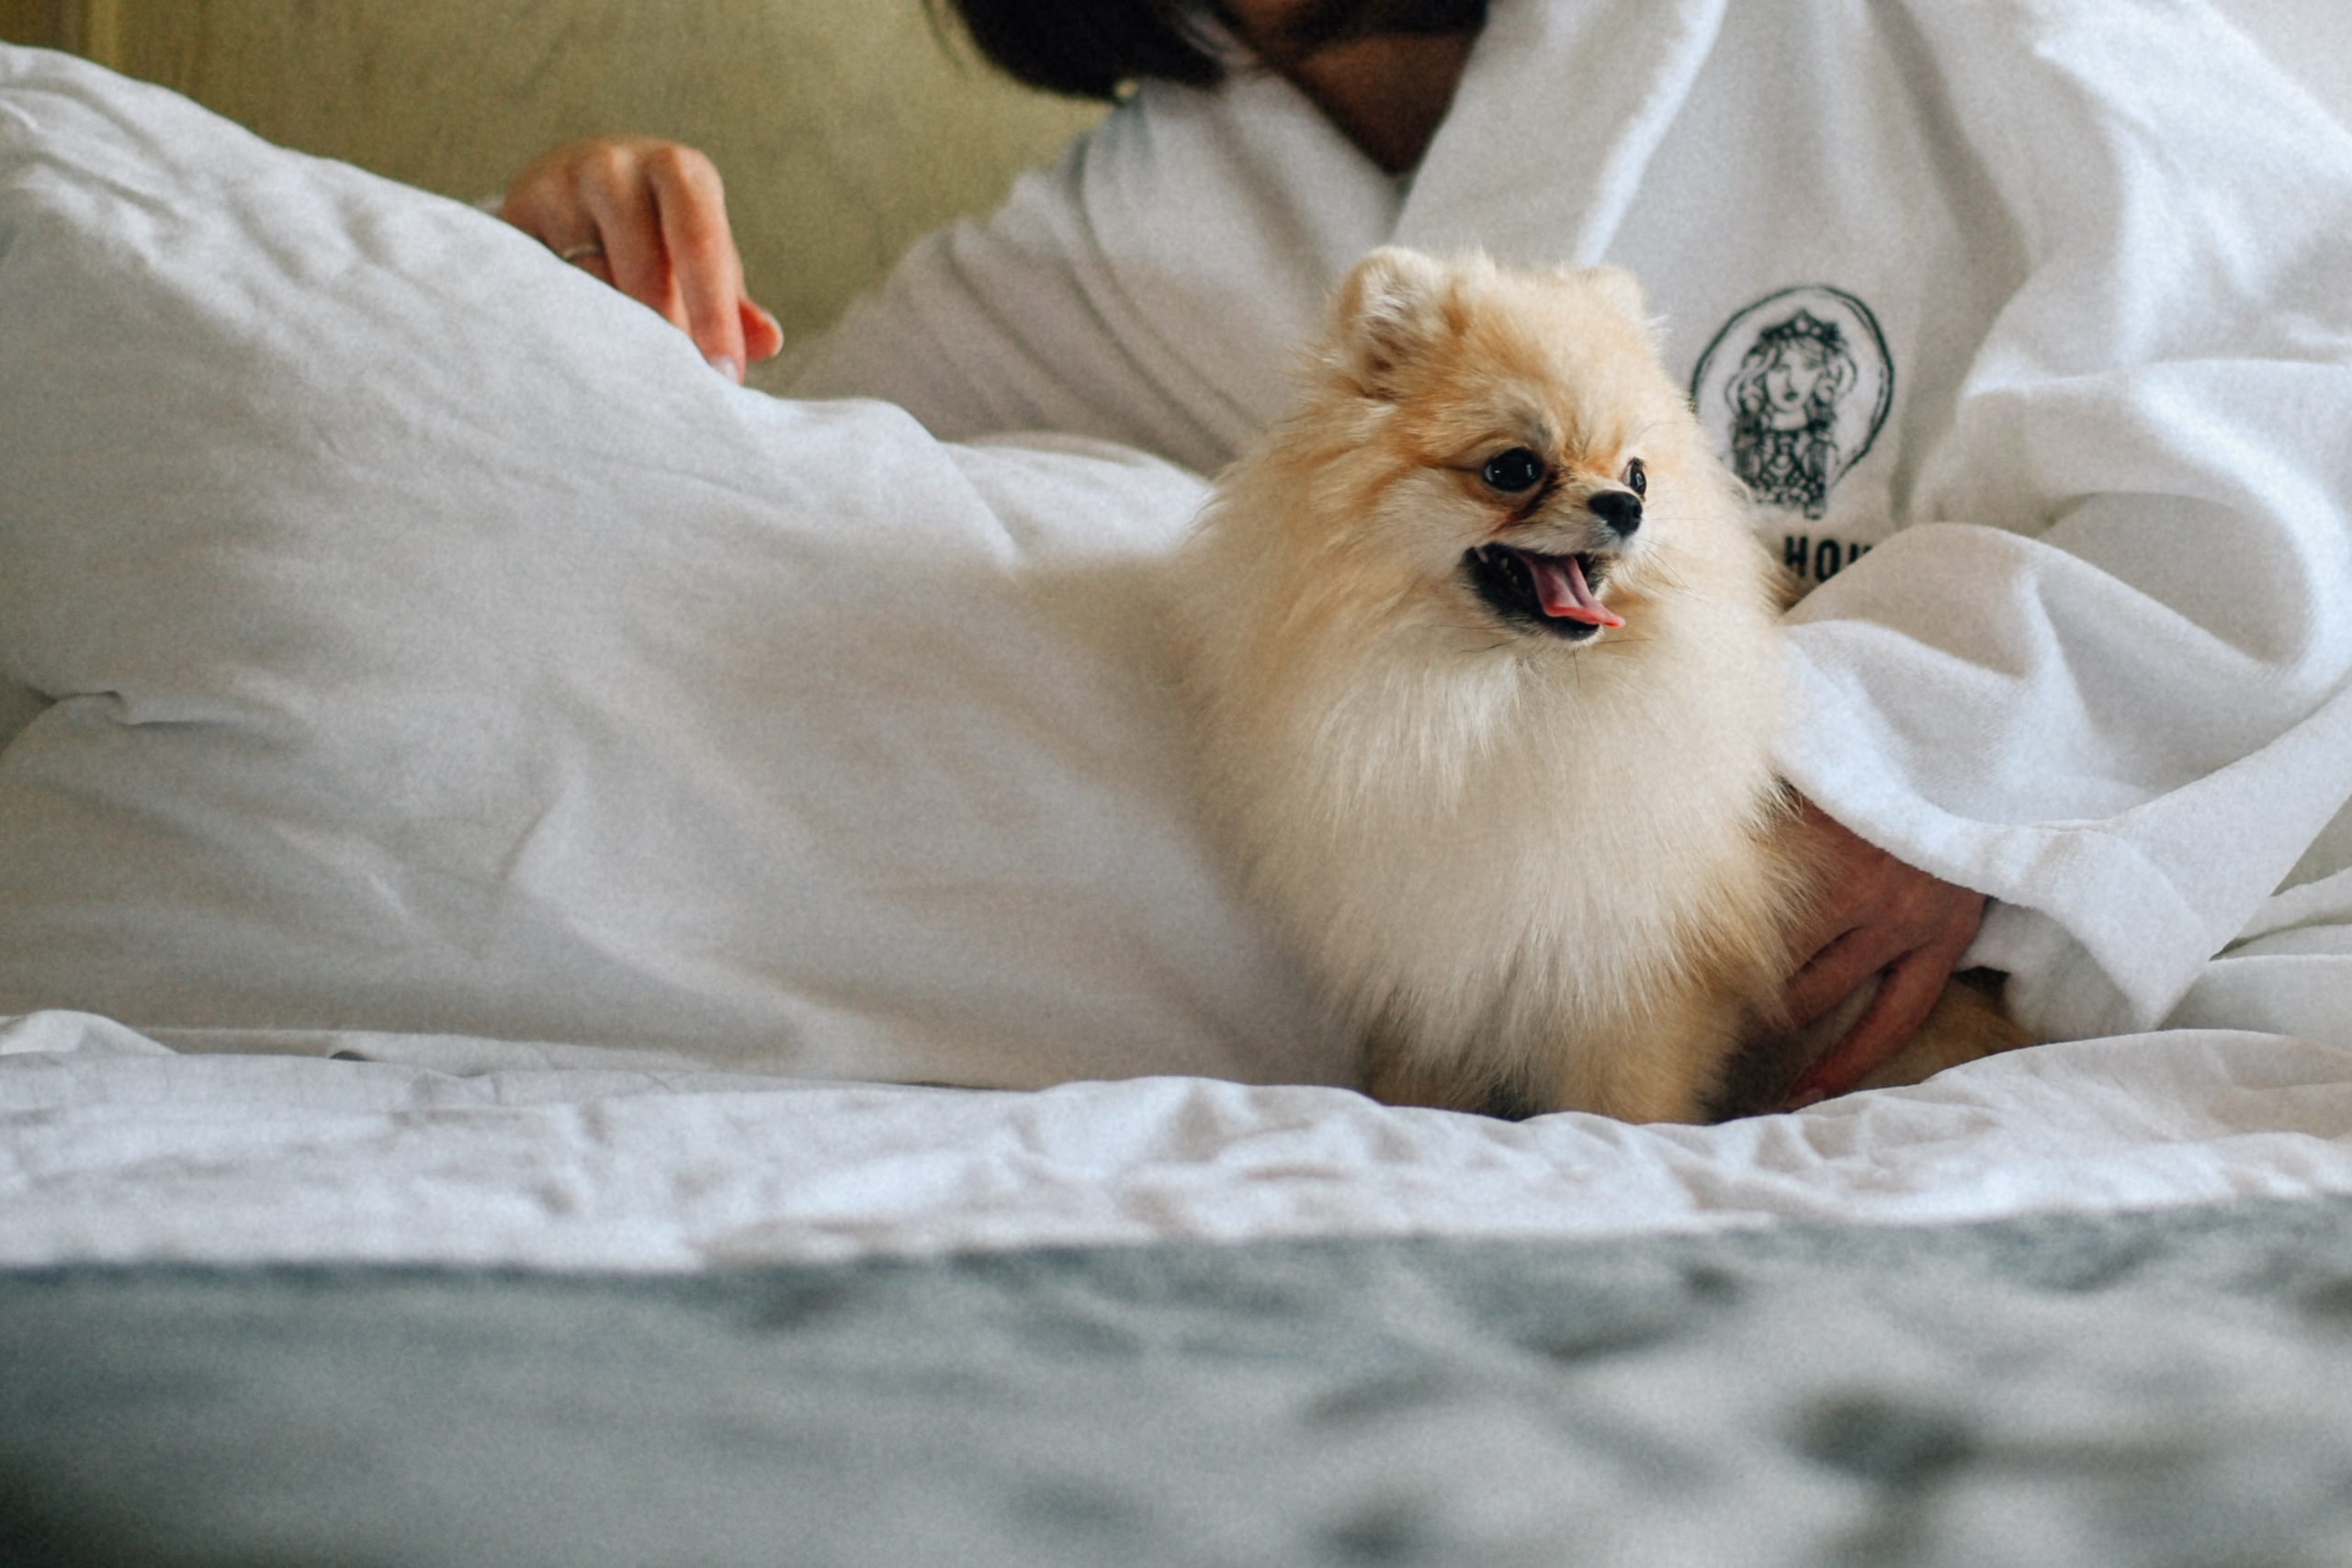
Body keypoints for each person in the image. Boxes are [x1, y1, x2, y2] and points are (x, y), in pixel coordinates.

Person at [498, 0, 2352, 1106]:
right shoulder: (1144, 236)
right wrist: (568, 275)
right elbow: (745, 474)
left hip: (2199, 895)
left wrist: (1939, 771)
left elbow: (2289, 358)